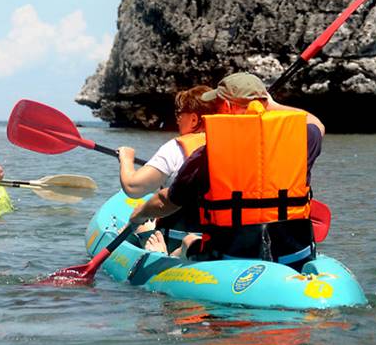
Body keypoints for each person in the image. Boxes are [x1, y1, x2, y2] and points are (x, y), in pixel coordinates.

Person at [129, 72, 324, 270]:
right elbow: (317, 124)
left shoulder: (208, 154)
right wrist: (269, 104)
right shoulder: (303, 139)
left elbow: (166, 202)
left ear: (228, 107)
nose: (213, 112)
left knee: (188, 241)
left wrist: (140, 214)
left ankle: (163, 254)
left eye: (217, 105)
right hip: (295, 255)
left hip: (231, 258)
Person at [117, 85, 225, 198]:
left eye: (179, 114)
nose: (177, 120)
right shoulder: (229, 146)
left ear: (194, 119)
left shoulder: (175, 149)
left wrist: (126, 159)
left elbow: (133, 187)